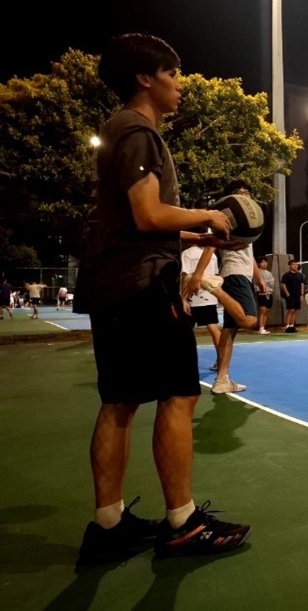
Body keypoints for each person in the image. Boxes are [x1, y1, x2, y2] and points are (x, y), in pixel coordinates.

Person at [72, 33, 250, 564]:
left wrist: (195, 235)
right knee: (178, 394)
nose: (180, 83)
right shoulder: (138, 130)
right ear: (144, 78)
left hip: (114, 283)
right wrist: (209, 215)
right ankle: (183, 524)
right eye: (172, 73)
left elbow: (135, 220)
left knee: (119, 402)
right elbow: (149, 214)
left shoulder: (119, 129)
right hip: (143, 284)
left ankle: (108, 526)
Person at [207, 180, 263, 394]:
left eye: (247, 192)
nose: (245, 195)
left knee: (229, 331)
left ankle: (222, 380)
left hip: (242, 274)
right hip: (234, 273)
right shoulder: (229, 220)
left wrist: (259, 279)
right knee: (249, 320)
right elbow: (211, 245)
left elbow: (249, 256)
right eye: (240, 192)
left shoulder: (248, 223)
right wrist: (201, 276)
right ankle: (213, 287)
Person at [181, 243, 222, 369]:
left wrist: (183, 299)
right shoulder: (212, 255)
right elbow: (214, 276)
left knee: (186, 332)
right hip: (210, 295)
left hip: (191, 296)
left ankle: (186, 363)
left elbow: (184, 276)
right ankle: (221, 361)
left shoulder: (187, 253)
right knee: (213, 328)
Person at [280, 259, 306, 333]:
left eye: (296, 264)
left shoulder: (300, 275)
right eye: (293, 264)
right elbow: (283, 285)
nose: (295, 266)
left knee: (295, 310)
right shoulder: (286, 275)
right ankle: (287, 326)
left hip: (297, 295)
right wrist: (287, 294)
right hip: (290, 296)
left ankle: (292, 325)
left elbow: (302, 284)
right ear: (290, 266)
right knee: (290, 310)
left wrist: (302, 294)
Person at [256, 256, 274, 335]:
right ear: (258, 264)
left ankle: (263, 327)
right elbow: (257, 282)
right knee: (262, 310)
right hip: (261, 293)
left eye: (265, 262)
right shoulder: (257, 272)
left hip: (269, 293)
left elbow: (272, 283)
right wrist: (263, 285)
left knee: (266, 311)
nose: (264, 264)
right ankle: (260, 328)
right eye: (262, 262)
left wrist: (265, 282)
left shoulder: (269, 273)